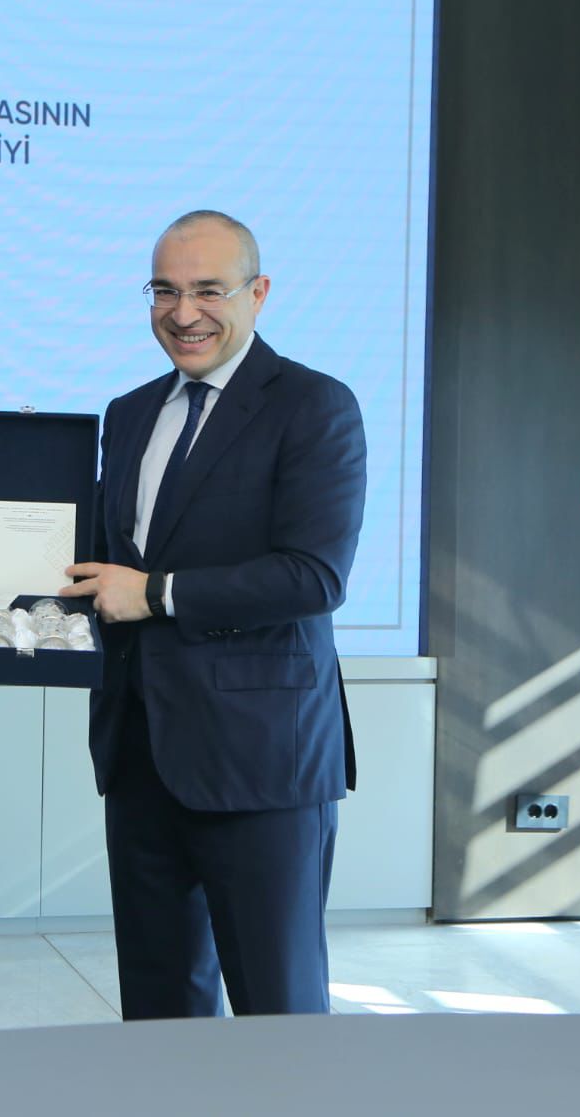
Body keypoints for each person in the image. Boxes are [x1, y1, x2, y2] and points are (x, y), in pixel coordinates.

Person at [62, 209, 365, 1019]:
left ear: (258, 293)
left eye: (208, 290)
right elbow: (100, 560)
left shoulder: (314, 405)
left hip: (262, 764)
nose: (183, 312)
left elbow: (314, 574)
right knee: (159, 1013)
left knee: (279, 1015)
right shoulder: (130, 412)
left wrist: (157, 592)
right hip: (140, 754)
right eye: (164, 290)